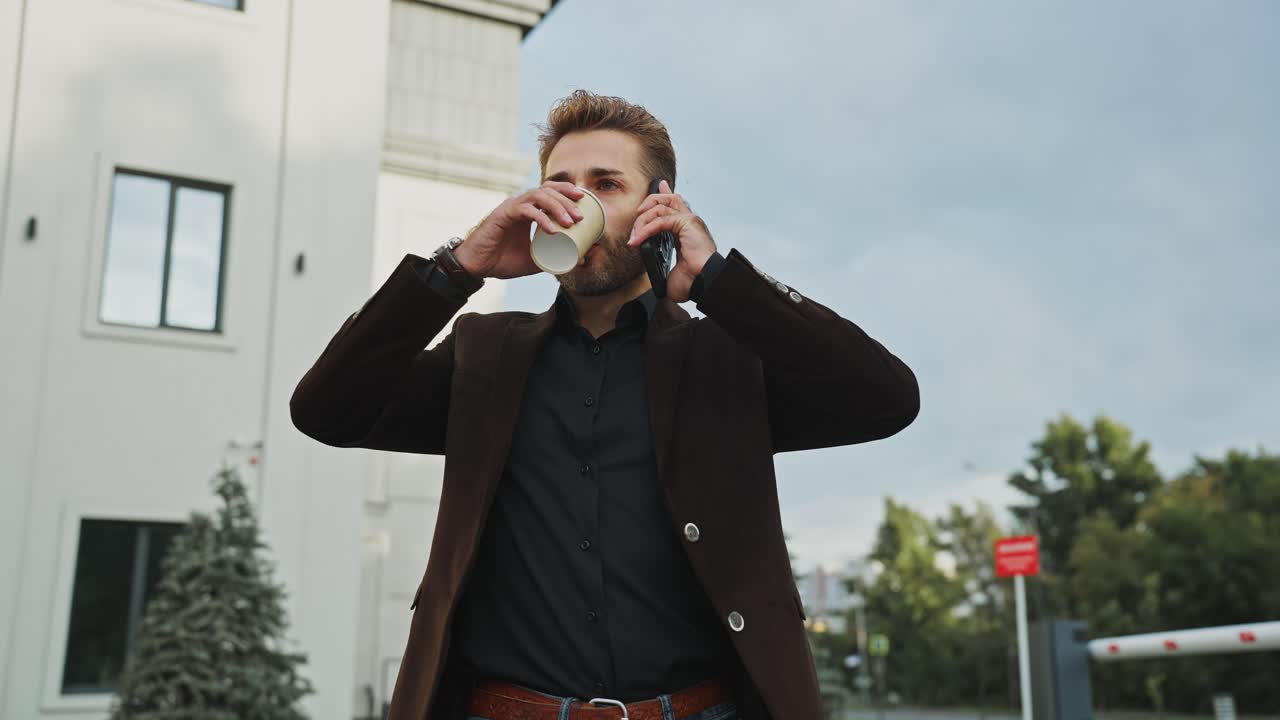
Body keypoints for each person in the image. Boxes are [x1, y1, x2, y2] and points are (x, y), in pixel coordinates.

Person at [290, 90, 919, 720]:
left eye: (606, 185)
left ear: (659, 205)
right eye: (558, 185)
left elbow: (885, 398)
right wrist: (458, 268)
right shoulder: (486, 356)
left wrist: (721, 281)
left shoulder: (726, 358)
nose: (574, 204)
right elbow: (325, 411)